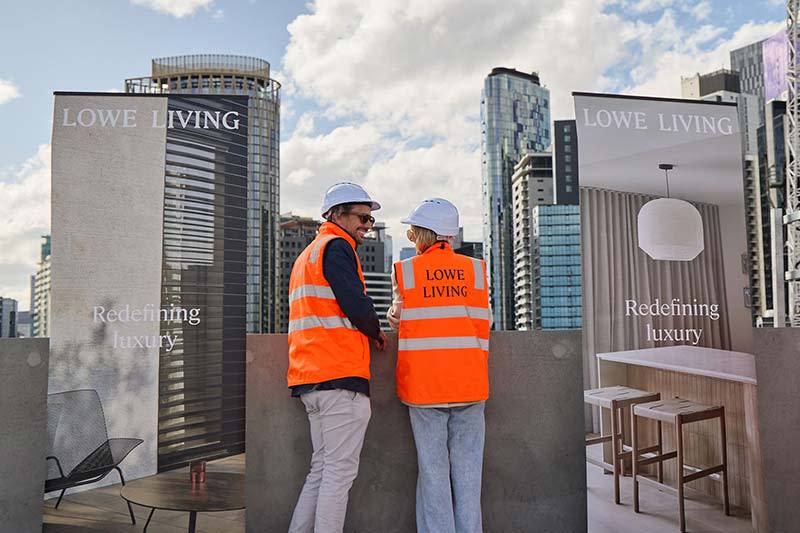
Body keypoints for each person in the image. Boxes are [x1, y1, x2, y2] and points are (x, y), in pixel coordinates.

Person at [287, 181, 387, 533]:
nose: (366, 225)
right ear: (337, 214)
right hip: (338, 377)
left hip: (310, 377)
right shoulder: (337, 247)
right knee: (338, 473)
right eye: (362, 217)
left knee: (322, 468)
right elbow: (356, 305)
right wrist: (375, 330)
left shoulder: (309, 254)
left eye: (370, 220)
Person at [387, 198, 491, 533]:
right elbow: (482, 322)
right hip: (470, 384)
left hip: (425, 388)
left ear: (422, 235)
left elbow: (402, 321)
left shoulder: (405, 271)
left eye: (412, 232)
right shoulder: (476, 270)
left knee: (433, 477)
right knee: (469, 478)